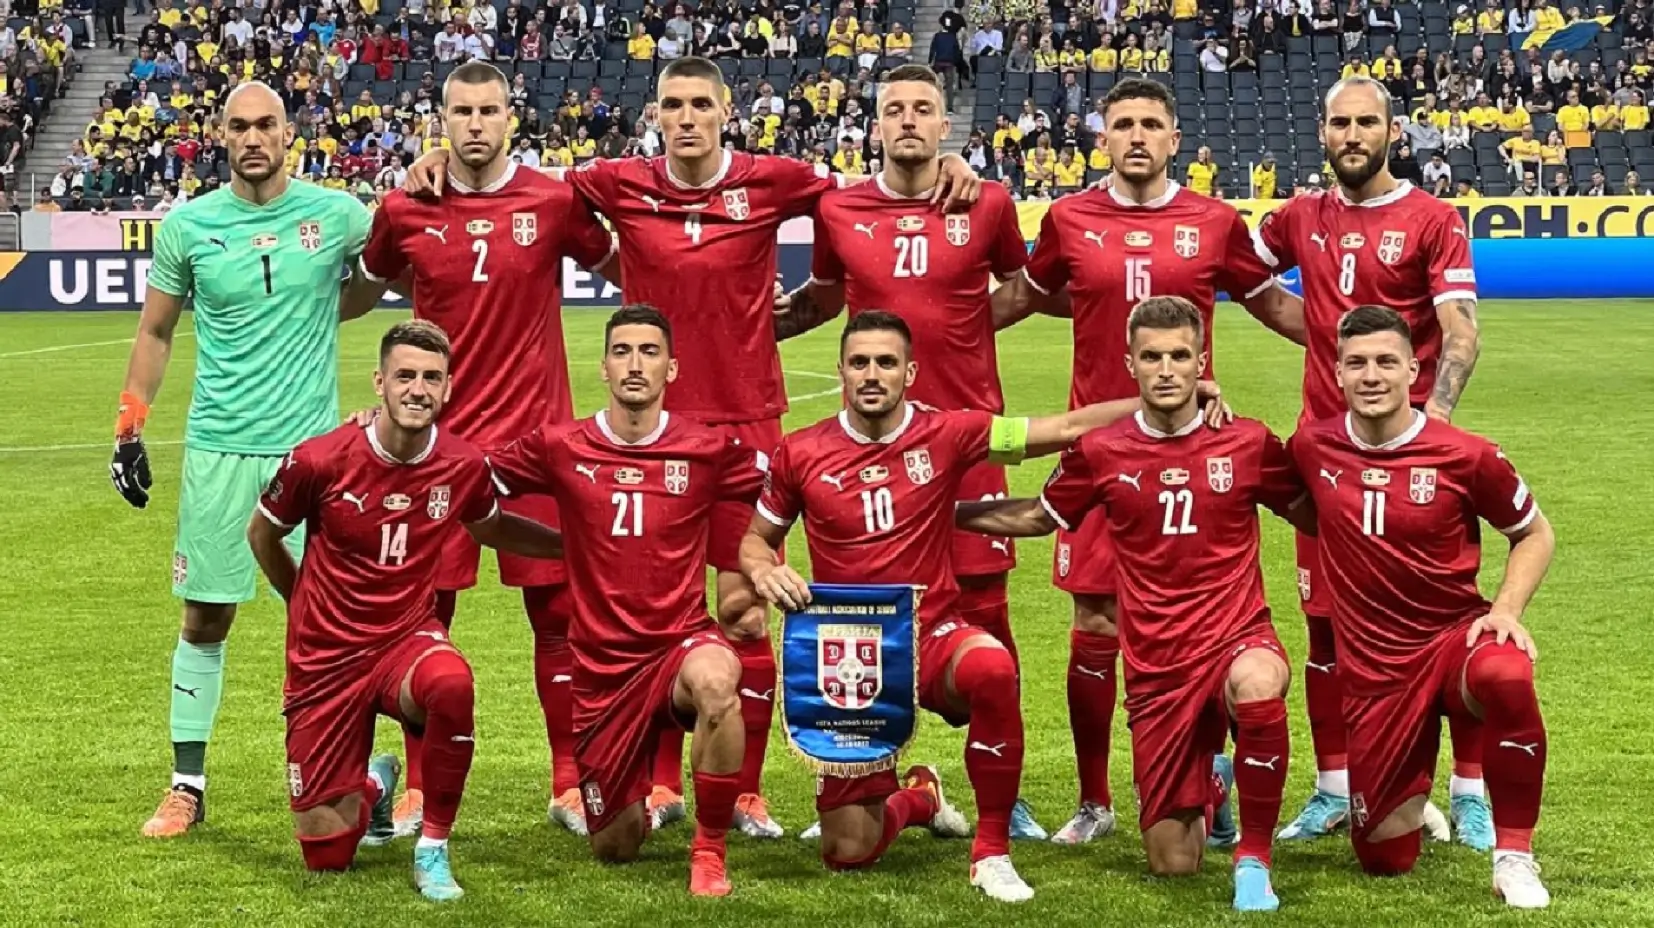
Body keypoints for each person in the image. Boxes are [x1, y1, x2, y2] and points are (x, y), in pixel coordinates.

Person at [404, 54, 981, 837]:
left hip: (746, 424)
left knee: (744, 609)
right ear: (655, 114)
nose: (686, 118)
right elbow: (520, 186)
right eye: (672, 104)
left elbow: (867, 193)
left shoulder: (774, 180)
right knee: (649, 612)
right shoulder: (615, 183)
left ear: (725, 112)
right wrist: (438, 159)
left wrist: (942, 165)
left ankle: (743, 792)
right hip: (653, 434)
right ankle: (659, 782)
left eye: (700, 105)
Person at [741, 311, 1189, 902]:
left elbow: (1064, 427)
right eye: (859, 363)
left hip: (932, 634)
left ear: (910, 372)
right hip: (851, 655)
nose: (872, 375)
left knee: (993, 667)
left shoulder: (950, 433)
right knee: (848, 851)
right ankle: (921, 798)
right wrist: (765, 570)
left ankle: (992, 852)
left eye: (886, 363)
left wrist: (1166, 401)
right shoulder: (799, 452)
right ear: (841, 370)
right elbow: (755, 540)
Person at [988, 76, 1306, 846]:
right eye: (1123, 123)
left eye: (1151, 124)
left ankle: (1210, 772)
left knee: (1207, 627)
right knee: (1096, 621)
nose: (1136, 136)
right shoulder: (1069, 218)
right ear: (1103, 139)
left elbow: (1274, 305)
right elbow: (1017, 299)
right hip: (1099, 456)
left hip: (1192, 451)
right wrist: (924, 335)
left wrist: (1373, 343)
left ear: (1175, 140)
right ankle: (1095, 801)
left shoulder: (1214, 221)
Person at [954, 297, 1311, 912]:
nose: (1166, 369)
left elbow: (1313, 513)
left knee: (1258, 685)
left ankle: (1254, 860)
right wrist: (942, 511)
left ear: (1202, 361)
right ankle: (1213, 784)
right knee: (1173, 863)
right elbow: (1038, 516)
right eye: (1152, 357)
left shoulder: (1247, 441)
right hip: (1157, 665)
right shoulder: (1101, 450)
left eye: (1179, 356)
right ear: (1130, 364)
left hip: (1235, 636)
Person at [772, 63, 1047, 840]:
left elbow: (1025, 286)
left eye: (923, 109)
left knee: (986, 618)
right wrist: (749, 326)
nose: (908, 121)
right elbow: (825, 297)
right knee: (871, 612)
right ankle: (875, 777)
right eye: (894, 109)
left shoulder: (985, 201)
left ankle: (1003, 793)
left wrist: (965, 327)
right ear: (875, 125)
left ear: (945, 125)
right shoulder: (839, 208)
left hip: (966, 438)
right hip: (875, 448)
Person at [348, 60, 620, 839]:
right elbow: (362, 289)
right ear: (442, 119)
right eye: (461, 111)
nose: (475, 124)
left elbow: (624, 263)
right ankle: (415, 787)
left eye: (488, 110)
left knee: (559, 615)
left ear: (511, 118)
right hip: (438, 451)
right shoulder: (405, 207)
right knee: (420, 617)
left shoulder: (553, 200)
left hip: (538, 445)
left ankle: (568, 780)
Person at [112, 81, 375, 839]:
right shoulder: (189, 226)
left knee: (334, 621)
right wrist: (129, 426)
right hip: (219, 448)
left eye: (266, 125)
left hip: (313, 456)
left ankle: (352, 773)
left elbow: (386, 277)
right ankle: (186, 786)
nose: (253, 138)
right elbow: (156, 332)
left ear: (290, 134)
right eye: (239, 127)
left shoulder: (338, 215)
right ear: (220, 136)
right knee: (205, 616)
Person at [1251, 76, 1489, 847]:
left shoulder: (1432, 220)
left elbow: (1460, 331)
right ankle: (1333, 786)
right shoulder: (1301, 216)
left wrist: (1432, 429)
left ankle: (1470, 790)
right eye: (1339, 123)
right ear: (1322, 132)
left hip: (1413, 464)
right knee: (1324, 630)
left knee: (1446, 626)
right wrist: (1318, 331)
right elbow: (1239, 273)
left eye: (1366, 123)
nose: (1352, 135)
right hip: (1324, 464)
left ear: (1392, 132)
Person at [248, 320, 563, 901]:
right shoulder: (319, 460)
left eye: (431, 378)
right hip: (326, 657)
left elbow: (492, 527)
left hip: (404, 640)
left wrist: (573, 547)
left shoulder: (462, 465)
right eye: (405, 376)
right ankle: (373, 785)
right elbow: (262, 534)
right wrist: (300, 602)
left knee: (451, 683)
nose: (418, 390)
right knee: (327, 855)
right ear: (380, 382)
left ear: (448, 388)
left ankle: (433, 848)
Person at [486, 305, 766, 897]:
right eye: (622, 352)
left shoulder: (707, 448)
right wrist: (552, 543)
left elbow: (795, 477)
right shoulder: (559, 444)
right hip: (602, 670)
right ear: (604, 367)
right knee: (615, 846)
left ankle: (709, 851)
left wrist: (761, 555)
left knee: (718, 683)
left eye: (649, 352)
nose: (635, 364)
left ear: (671, 368)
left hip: (679, 644)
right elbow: (468, 481)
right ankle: (628, 796)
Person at [1288, 305, 1553, 908]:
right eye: (1357, 363)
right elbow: (1266, 484)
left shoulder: (1467, 455)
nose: (1371, 376)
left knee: (1506, 671)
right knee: (1385, 860)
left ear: (1414, 370)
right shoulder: (1311, 445)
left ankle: (1514, 857)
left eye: (1386, 361)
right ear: (1337, 372)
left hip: (1452, 642)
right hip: (1376, 671)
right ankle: (1412, 797)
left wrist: (1506, 611)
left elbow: (1535, 533)